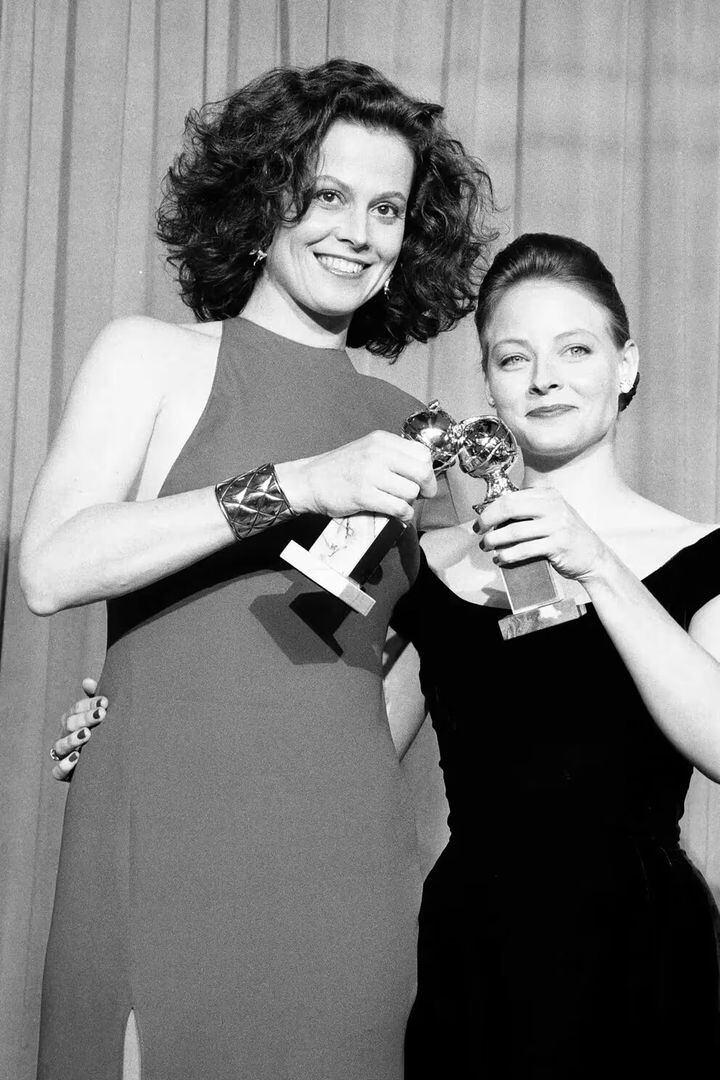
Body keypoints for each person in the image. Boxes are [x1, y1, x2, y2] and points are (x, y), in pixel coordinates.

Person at [20, 58, 494, 1080]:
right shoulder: (153, 357)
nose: (355, 233)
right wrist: (295, 484)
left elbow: (368, 664)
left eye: (387, 209)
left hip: (346, 865)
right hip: (171, 840)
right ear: (264, 192)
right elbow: (52, 570)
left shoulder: (411, 431)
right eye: (326, 194)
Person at [387, 233, 720, 1078]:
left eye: (577, 349)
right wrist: (136, 724)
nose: (545, 378)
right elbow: (342, 757)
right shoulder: (436, 564)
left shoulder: (702, 553)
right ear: (489, 385)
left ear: (627, 365)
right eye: (513, 357)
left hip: (641, 959)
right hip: (475, 954)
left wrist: (596, 563)